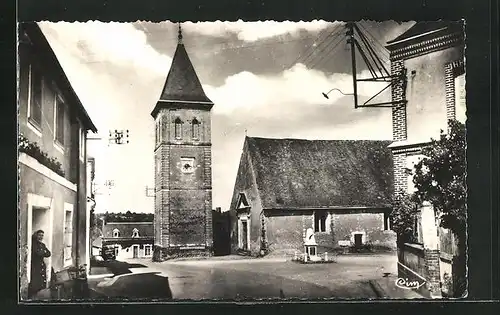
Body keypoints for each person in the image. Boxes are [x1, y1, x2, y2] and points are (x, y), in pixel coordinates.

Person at [28, 230, 51, 298]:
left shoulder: (42, 245)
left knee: (41, 283)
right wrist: (43, 251)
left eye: (42, 235)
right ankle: (33, 296)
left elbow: (48, 253)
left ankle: (38, 295)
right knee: (35, 283)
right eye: (39, 235)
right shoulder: (33, 244)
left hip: (41, 266)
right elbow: (38, 253)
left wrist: (42, 251)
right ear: (36, 235)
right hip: (35, 266)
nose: (41, 237)